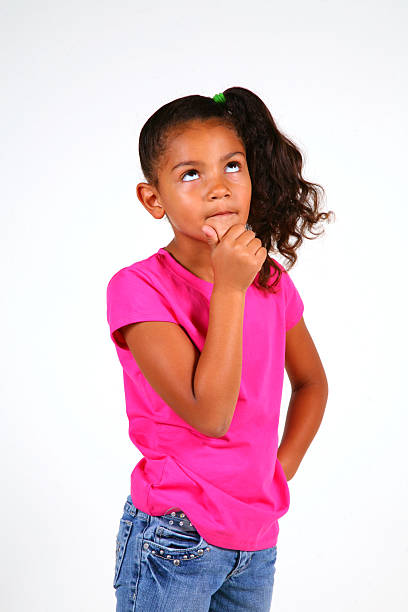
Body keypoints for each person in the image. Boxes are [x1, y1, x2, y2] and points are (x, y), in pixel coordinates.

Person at [106, 86, 333, 611]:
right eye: (191, 174)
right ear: (153, 198)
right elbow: (209, 414)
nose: (218, 188)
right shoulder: (138, 289)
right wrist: (230, 288)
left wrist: (281, 466)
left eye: (232, 166)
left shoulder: (271, 282)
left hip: (256, 538)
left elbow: (312, 382)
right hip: (175, 536)